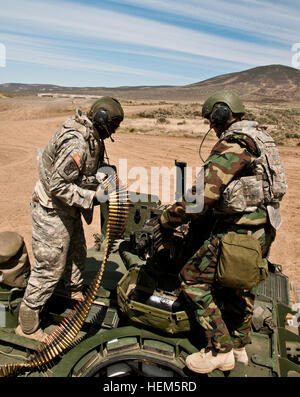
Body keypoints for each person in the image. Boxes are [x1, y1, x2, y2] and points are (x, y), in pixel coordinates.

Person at [158, 90, 288, 374]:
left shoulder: (234, 145)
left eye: (212, 121)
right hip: (263, 229)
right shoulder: (261, 138)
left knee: (191, 280)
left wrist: (168, 219)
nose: (211, 127)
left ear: (221, 115)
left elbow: (200, 200)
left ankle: (220, 349)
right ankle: (240, 344)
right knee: (242, 284)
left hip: (237, 233)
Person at [15, 96, 124, 342]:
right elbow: (58, 185)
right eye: (114, 125)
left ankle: (74, 293)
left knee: (76, 252)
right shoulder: (77, 143)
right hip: (52, 208)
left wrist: (105, 177)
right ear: (102, 120)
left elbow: (85, 172)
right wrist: (92, 197)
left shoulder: (93, 137)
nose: (115, 130)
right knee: (50, 265)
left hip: (68, 207)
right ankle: (28, 325)